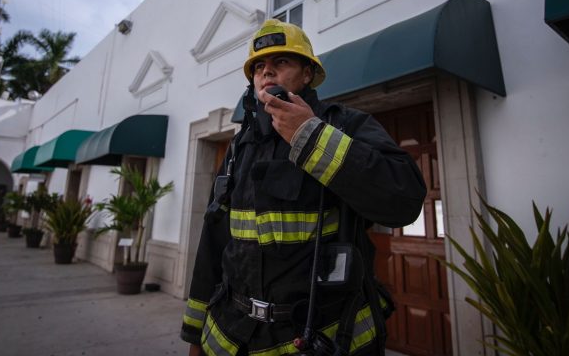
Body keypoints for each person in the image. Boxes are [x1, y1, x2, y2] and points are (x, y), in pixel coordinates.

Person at [181, 19, 427, 356]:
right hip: (232, 337)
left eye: (281, 62)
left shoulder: (344, 125)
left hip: (321, 337)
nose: (267, 72)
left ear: (307, 74)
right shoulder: (239, 148)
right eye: (259, 67)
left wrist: (310, 135)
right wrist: (195, 336)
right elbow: (213, 244)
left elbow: (405, 199)